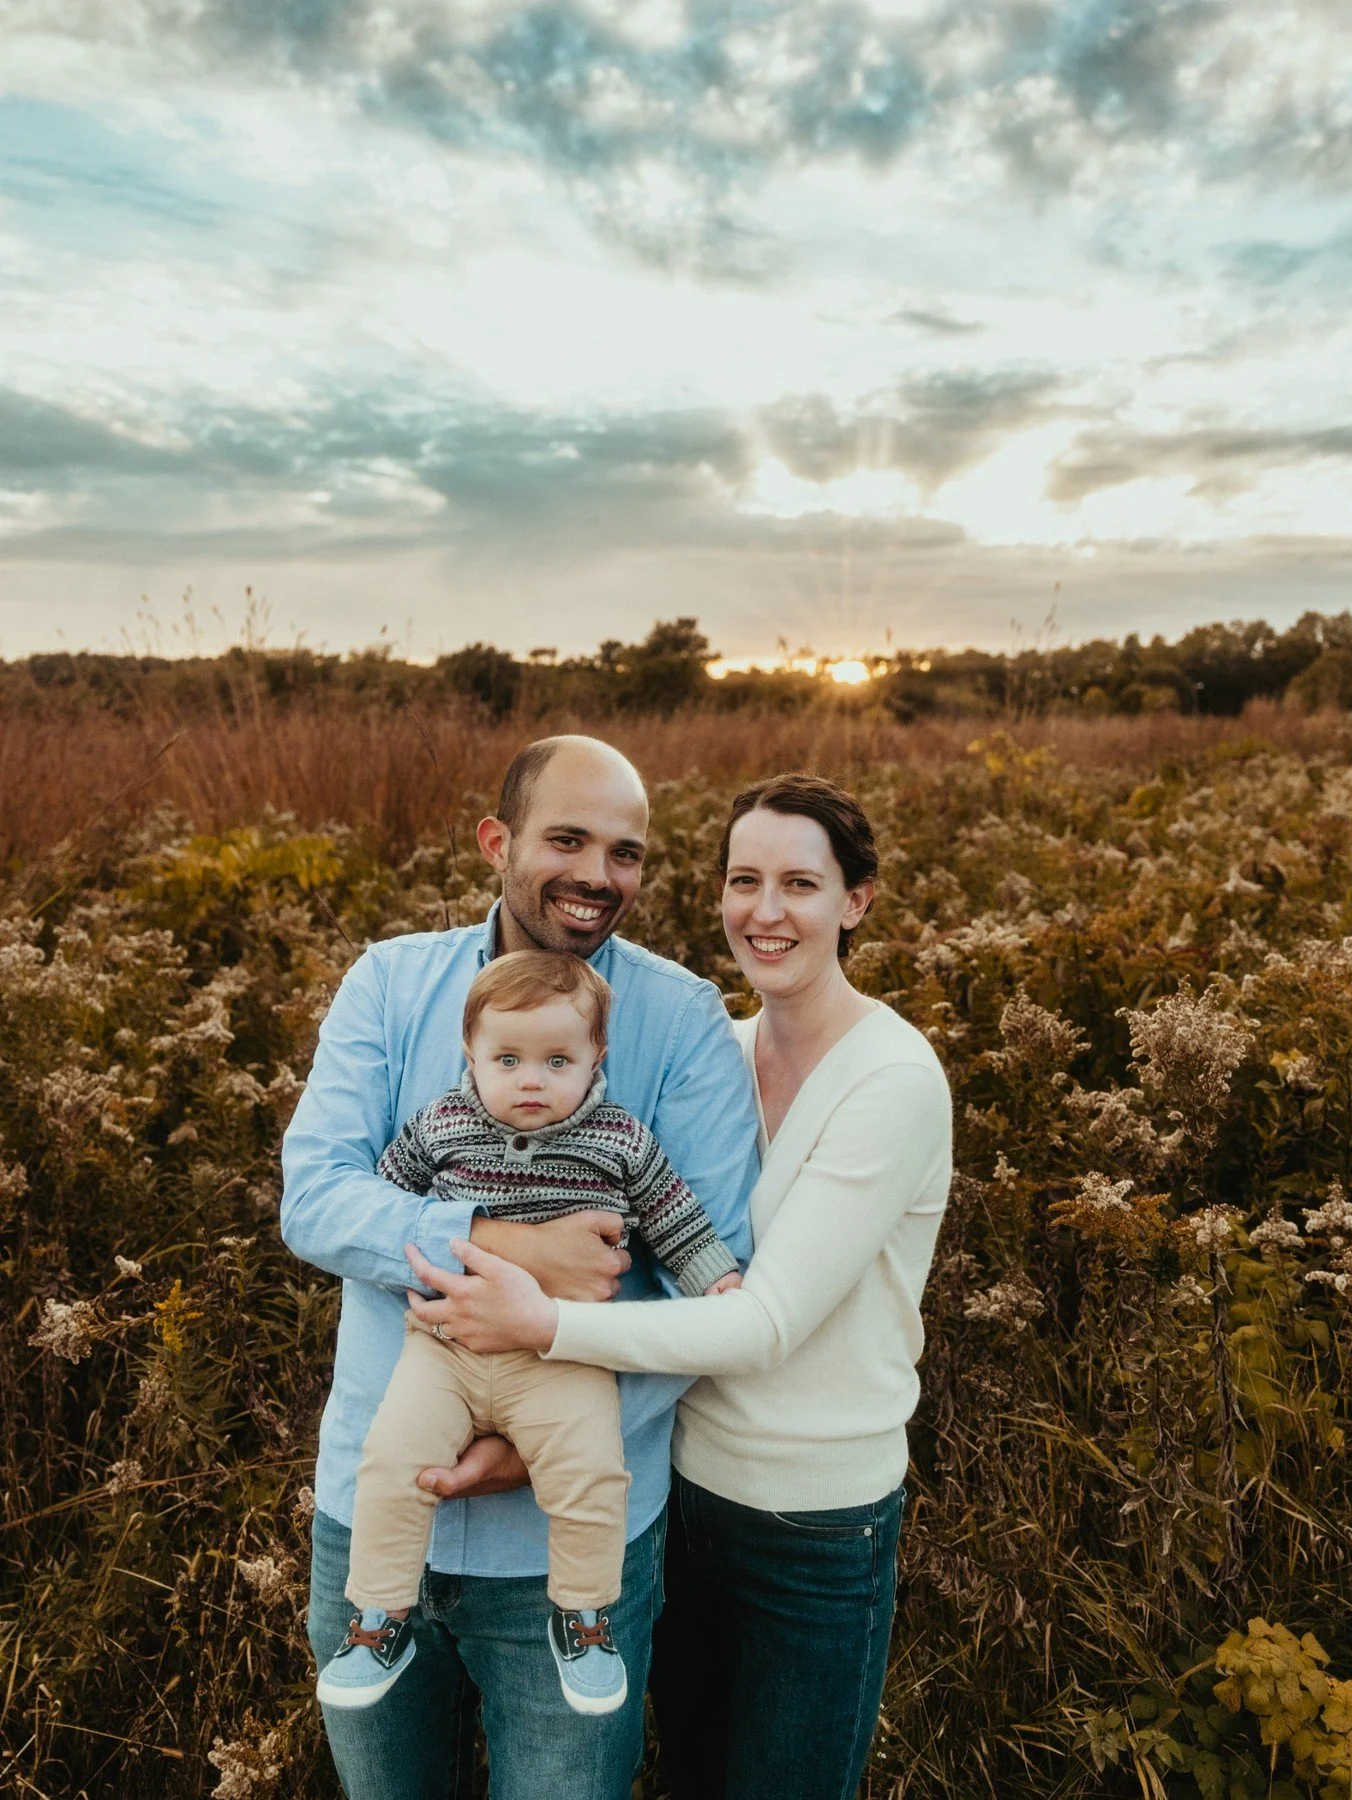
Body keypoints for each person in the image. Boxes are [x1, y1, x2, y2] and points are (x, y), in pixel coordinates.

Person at [406, 771, 955, 1800]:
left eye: (801, 882)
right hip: (685, 1498)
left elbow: (765, 1323)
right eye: (743, 880)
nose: (766, 910)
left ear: (857, 899)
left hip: (814, 1521)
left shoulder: (893, 1079)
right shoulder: (724, 1049)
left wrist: (545, 1321)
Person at [282, 735, 757, 1800]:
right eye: (570, 839)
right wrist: (505, 1247)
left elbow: (712, 1269)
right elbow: (313, 1199)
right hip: (377, 1493)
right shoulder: (392, 983)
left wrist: (522, 1440)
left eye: (626, 853)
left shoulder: (681, 1023)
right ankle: (377, 1623)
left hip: (571, 1532)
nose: (598, 875)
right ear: (499, 842)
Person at [316, 950, 741, 1717]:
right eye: (506, 1060)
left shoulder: (620, 1139)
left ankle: (583, 1617)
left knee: (591, 1470)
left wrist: (719, 1279)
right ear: (471, 1057)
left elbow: (678, 1218)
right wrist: (460, 1246)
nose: (531, 1080)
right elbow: (371, 1199)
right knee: (392, 1460)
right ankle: (379, 1618)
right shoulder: (442, 1122)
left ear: (595, 1059)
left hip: (561, 1354)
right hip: (441, 1349)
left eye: (557, 1060)